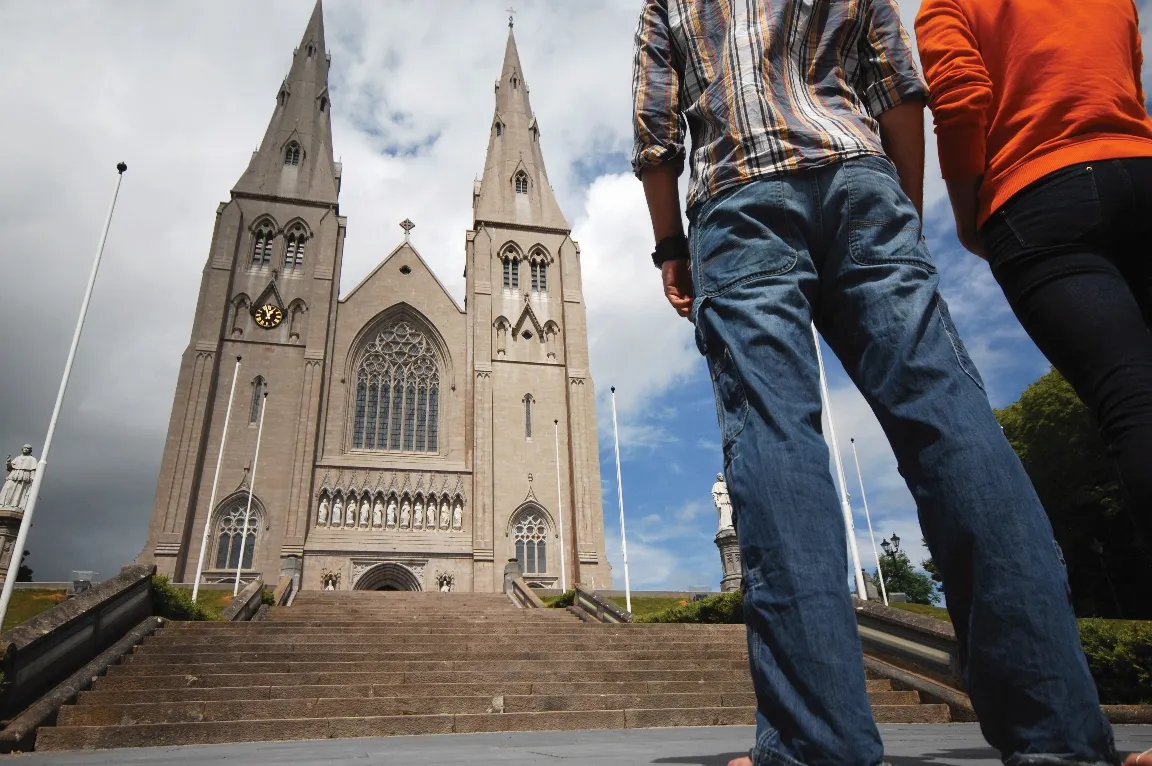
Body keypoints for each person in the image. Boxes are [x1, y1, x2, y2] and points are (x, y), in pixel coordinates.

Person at [631, 2, 1118, 765]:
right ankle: (1058, 736)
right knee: (951, 425)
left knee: (775, 443)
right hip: (863, 177)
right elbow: (899, 84)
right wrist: (902, 210)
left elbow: (655, 132)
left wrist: (670, 244)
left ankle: (816, 746)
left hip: (738, 197)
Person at [916, 0, 1152, 525]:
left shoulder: (947, 4)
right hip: (1139, 163)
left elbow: (959, 98)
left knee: (1130, 395)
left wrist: (966, 215)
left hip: (1038, 196)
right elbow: (1128, 84)